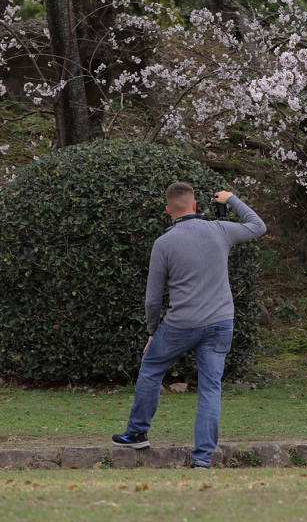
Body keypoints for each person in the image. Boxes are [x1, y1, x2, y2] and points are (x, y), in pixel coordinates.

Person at [112, 183, 266, 468]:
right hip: (221, 322)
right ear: (194, 206)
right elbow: (258, 226)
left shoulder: (164, 243)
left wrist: (151, 331)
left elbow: (153, 298)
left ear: (168, 210)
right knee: (210, 388)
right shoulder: (220, 229)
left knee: (151, 368)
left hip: (181, 324)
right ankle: (203, 460)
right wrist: (232, 199)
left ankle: (137, 432)